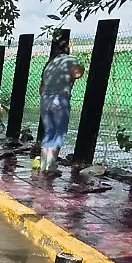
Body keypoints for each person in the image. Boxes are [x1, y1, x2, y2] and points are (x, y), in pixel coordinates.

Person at [38, 38, 84, 173]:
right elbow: (77, 74)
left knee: (49, 132)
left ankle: (43, 165)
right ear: (68, 49)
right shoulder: (70, 60)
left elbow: (41, 88)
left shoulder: (50, 64)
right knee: (59, 133)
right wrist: (82, 67)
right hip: (60, 100)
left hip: (45, 100)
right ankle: (51, 166)